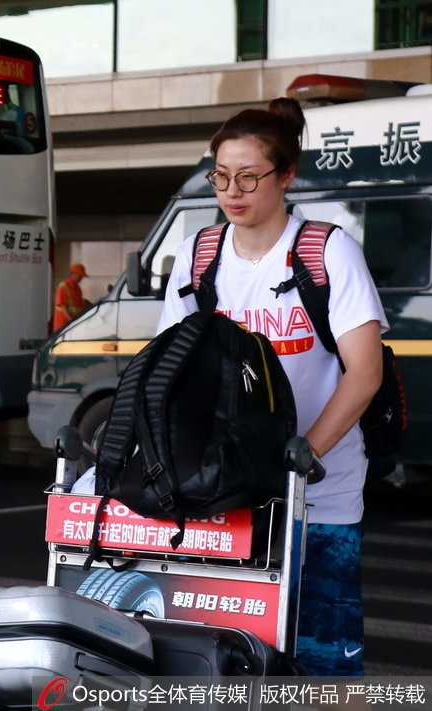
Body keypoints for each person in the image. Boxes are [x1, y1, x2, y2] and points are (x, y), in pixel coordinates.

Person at [157, 98, 385, 676]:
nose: (231, 192)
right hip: (226, 495)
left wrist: (304, 455)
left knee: (322, 666)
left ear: (286, 176)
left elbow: (365, 372)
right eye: (220, 177)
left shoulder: (326, 251)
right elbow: (168, 367)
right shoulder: (198, 256)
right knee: (229, 660)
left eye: (249, 177)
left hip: (319, 496)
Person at [53, 262, 89, 330]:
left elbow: (78, 305)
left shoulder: (78, 288)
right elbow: (62, 306)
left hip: (72, 323)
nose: (81, 279)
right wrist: (71, 320)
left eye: (82, 277)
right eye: (80, 276)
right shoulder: (63, 286)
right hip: (63, 323)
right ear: (73, 274)